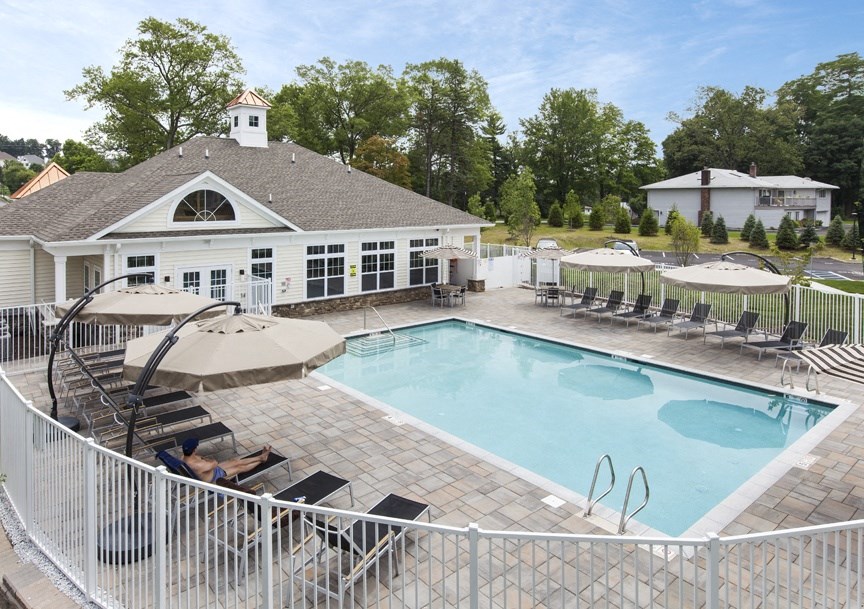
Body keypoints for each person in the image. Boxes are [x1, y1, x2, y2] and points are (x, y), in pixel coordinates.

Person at [180, 438, 271, 482]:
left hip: (212, 470)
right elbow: (214, 462)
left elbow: (203, 460)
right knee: (239, 468)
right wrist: (207, 460)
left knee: (234, 461)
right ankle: (261, 460)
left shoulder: (183, 457)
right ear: (194, 450)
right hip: (214, 478)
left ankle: (261, 457)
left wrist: (205, 460)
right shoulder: (198, 466)